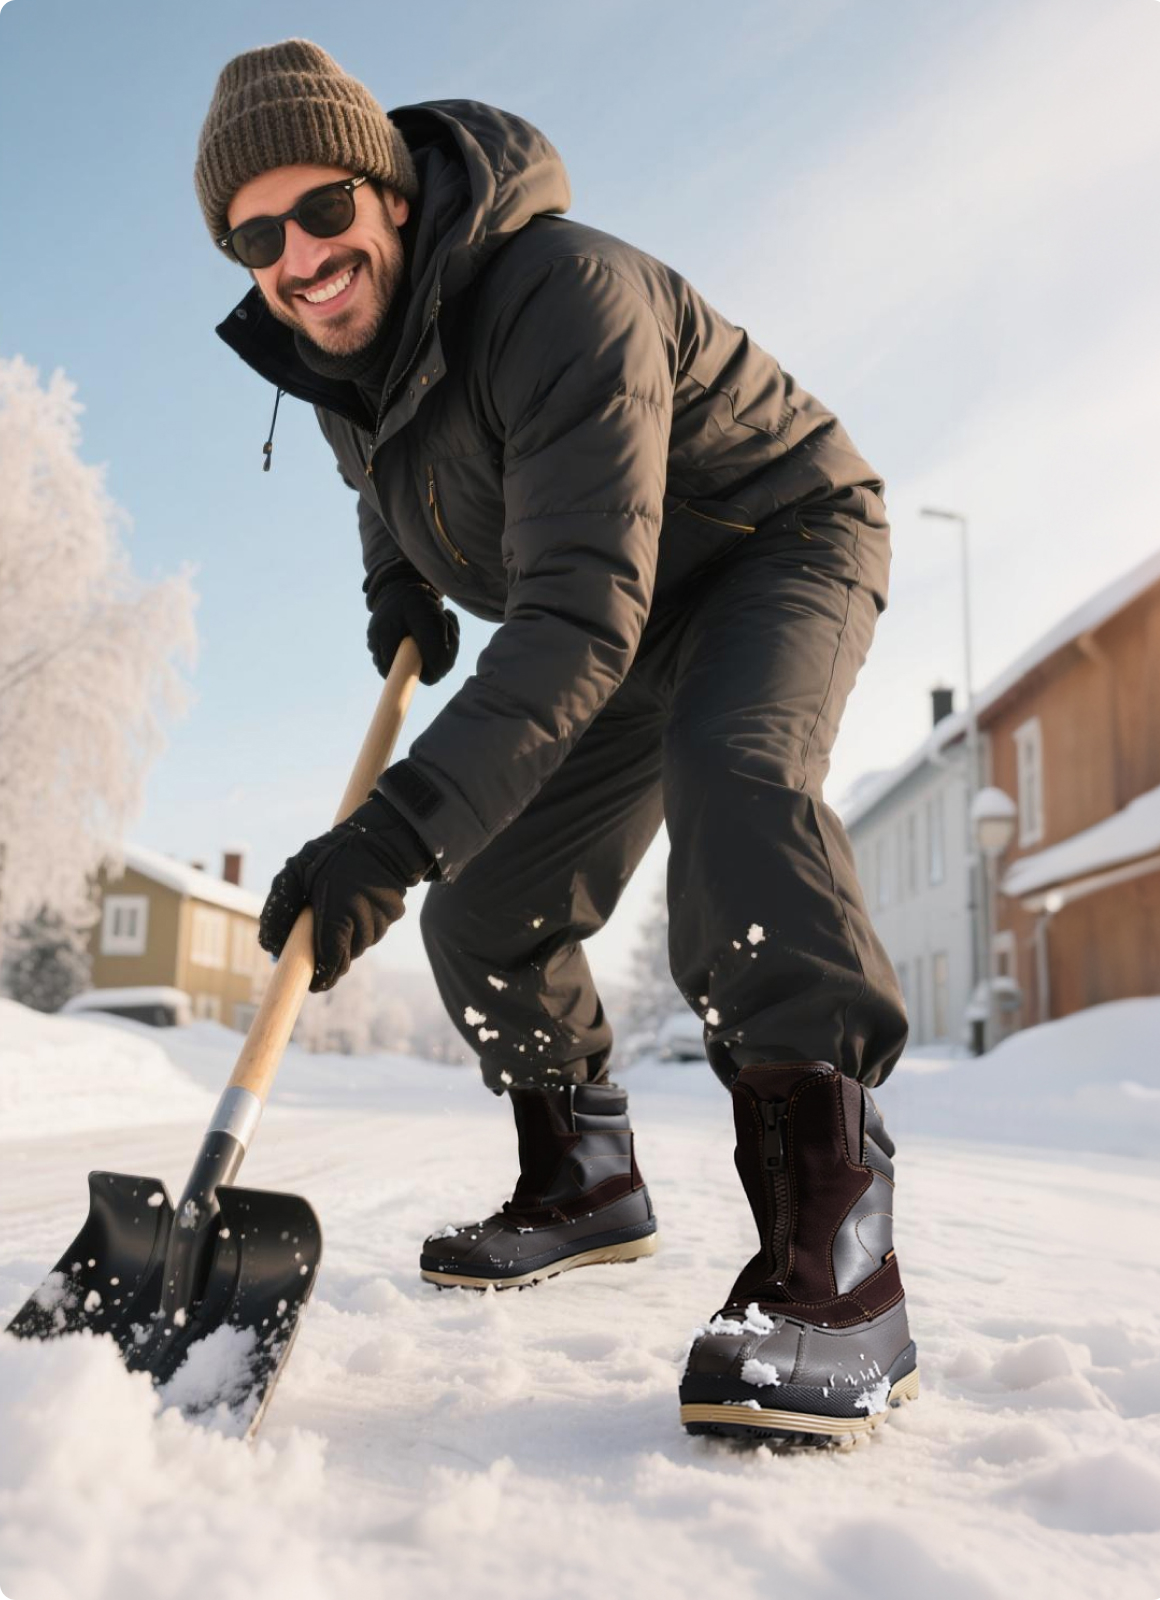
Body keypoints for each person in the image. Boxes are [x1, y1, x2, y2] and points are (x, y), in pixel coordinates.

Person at [196, 39, 918, 1442]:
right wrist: (396, 582)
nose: (300, 255)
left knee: (735, 783)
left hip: (768, 548)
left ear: (395, 195)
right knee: (482, 904)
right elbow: (384, 462)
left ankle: (838, 1267)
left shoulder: (562, 292)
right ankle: (583, 1184)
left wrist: (390, 832)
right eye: (256, 235)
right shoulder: (343, 349)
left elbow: (579, 609)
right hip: (616, 618)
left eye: (325, 209)